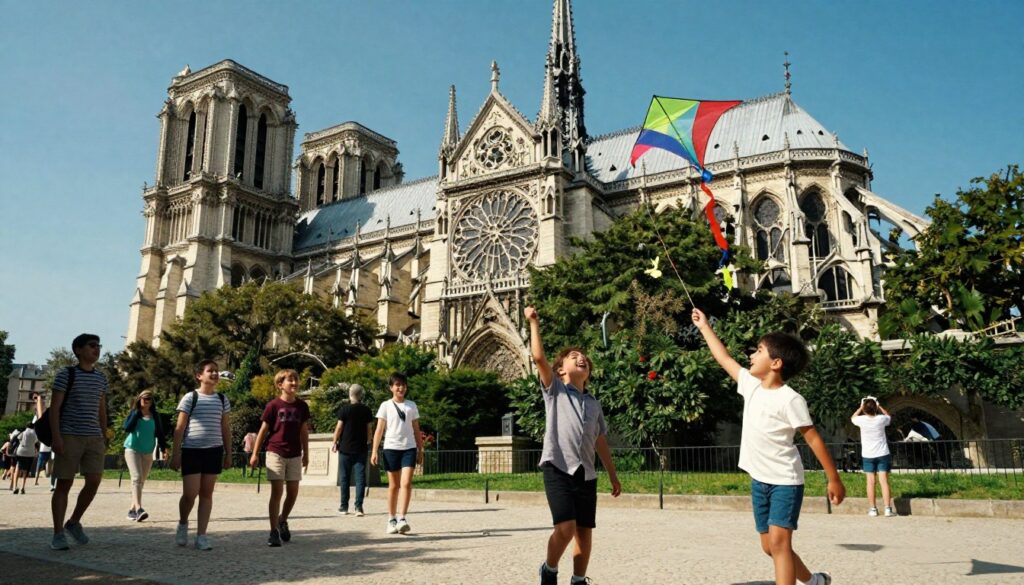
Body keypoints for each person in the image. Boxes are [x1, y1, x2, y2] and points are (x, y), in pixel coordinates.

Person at [693, 308, 844, 585]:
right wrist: (704, 326)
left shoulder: (790, 399)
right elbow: (723, 358)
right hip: (759, 480)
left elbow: (812, 437)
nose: (751, 354)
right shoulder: (750, 385)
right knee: (769, 546)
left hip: (785, 480)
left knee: (779, 544)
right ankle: (814, 582)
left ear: (775, 363)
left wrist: (833, 478)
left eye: (759, 350)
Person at [524, 306, 621, 585]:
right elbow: (538, 357)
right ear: (560, 370)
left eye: (585, 359)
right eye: (573, 357)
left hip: (586, 474)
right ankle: (550, 569)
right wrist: (533, 322)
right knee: (565, 528)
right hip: (557, 467)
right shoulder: (554, 390)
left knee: (584, 532)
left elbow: (600, 440)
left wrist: (612, 474)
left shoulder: (593, 403)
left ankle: (579, 580)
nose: (581, 359)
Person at [49, 334, 109, 551]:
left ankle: (73, 522)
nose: (97, 349)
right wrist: (56, 437)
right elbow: (55, 408)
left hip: (94, 437)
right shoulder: (66, 374)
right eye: (92, 346)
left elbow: (101, 408)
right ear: (78, 350)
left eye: (98, 346)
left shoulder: (101, 378)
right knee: (64, 483)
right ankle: (57, 534)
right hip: (69, 435)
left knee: (94, 481)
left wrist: (104, 434)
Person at [170, 360, 232, 551]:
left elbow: (226, 428)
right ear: (199, 375)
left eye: (216, 371)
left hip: (214, 450)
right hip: (192, 450)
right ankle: (182, 523)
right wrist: (175, 454)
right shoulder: (190, 397)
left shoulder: (222, 399)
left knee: (206, 494)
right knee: (190, 494)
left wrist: (228, 453)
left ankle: (201, 536)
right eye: (209, 371)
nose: (214, 374)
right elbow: (179, 428)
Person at [249, 369, 310, 547]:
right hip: (275, 451)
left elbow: (304, 431)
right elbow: (263, 431)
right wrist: (254, 453)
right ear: (280, 385)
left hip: (294, 453)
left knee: (293, 492)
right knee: (277, 492)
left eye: (296, 380)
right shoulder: (273, 406)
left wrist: (306, 453)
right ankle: (273, 530)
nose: (294, 383)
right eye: (290, 380)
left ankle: (282, 519)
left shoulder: (302, 406)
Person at [370, 372, 424, 535]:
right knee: (393, 485)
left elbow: (416, 430)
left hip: (409, 448)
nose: (400, 388)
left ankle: (402, 518)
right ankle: (391, 518)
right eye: (397, 385)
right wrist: (374, 450)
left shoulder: (411, 405)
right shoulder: (385, 406)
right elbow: (379, 430)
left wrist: (420, 449)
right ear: (391, 388)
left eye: (403, 385)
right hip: (391, 448)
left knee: (406, 483)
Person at [122, 390, 169, 522]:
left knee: (140, 481)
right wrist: (136, 413)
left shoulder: (155, 416)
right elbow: (127, 428)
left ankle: (131, 510)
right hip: (132, 449)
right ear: (139, 399)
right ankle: (139, 509)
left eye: (148, 398)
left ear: (152, 401)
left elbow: (160, 433)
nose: (145, 400)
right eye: (143, 398)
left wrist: (164, 448)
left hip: (148, 451)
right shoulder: (135, 413)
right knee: (136, 478)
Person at [332, 383, 373, 516]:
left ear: (350, 395)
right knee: (360, 478)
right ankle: (358, 507)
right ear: (361, 395)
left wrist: (334, 441)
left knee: (345, 478)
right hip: (361, 448)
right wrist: (369, 441)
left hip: (345, 448)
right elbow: (369, 429)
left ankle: (344, 507)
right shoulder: (366, 410)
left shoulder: (344, 410)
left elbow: (339, 428)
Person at [851, 397, 894, 517]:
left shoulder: (861, 420)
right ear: (875, 408)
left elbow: (852, 417)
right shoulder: (881, 419)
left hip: (868, 454)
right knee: (884, 481)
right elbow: (888, 416)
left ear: (864, 410)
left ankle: (873, 509)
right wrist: (879, 405)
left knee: (870, 482)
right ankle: (887, 509)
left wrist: (861, 406)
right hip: (882, 453)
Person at [32, 393, 54, 488]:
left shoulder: (47, 415)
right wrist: (38, 400)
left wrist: (38, 400)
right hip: (45, 446)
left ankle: (52, 484)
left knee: (51, 466)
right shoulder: (38, 418)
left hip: (50, 446)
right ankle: (50, 483)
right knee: (43, 465)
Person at [13, 423, 39, 494]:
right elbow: (36, 443)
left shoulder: (23, 432)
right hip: (30, 453)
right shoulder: (34, 434)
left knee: (18, 467)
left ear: (26, 426)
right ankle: (22, 487)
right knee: (26, 470)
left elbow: (16, 439)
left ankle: (15, 486)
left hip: (21, 452)